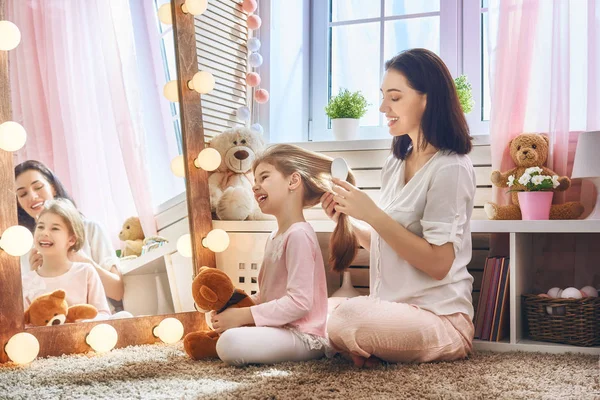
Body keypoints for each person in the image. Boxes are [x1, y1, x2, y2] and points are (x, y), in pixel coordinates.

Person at [322, 48, 476, 368]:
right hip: (392, 311)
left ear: (427, 99)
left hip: (440, 320)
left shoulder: (451, 168)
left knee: (345, 317)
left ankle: (368, 348)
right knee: (327, 311)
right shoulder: (395, 163)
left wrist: (373, 215)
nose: (382, 108)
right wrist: (349, 219)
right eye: (383, 96)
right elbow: (387, 242)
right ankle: (373, 349)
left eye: (394, 97)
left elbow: (438, 264)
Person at [211, 144, 356, 366]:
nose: (255, 186)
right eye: (255, 180)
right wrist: (236, 310)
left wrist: (243, 316)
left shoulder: (299, 234)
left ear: (293, 181)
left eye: (264, 177)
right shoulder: (275, 236)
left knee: (229, 342)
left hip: (302, 335)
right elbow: (269, 295)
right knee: (218, 326)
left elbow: (300, 303)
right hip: (279, 329)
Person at [15, 160, 125, 305]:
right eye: (22, 194)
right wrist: (36, 277)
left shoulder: (91, 230)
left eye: (38, 187)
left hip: (96, 322)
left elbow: (117, 292)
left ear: (53, 188)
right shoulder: (22, 249)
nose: (32, 197)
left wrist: (82, 261)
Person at [22, 199, 112, 320]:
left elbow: (103, 314)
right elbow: (25, 323)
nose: (44, 233)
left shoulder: (86, 272)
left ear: (71, 240)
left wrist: (78, 327)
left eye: (54, 228)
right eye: (41, 227)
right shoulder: (26, 281)